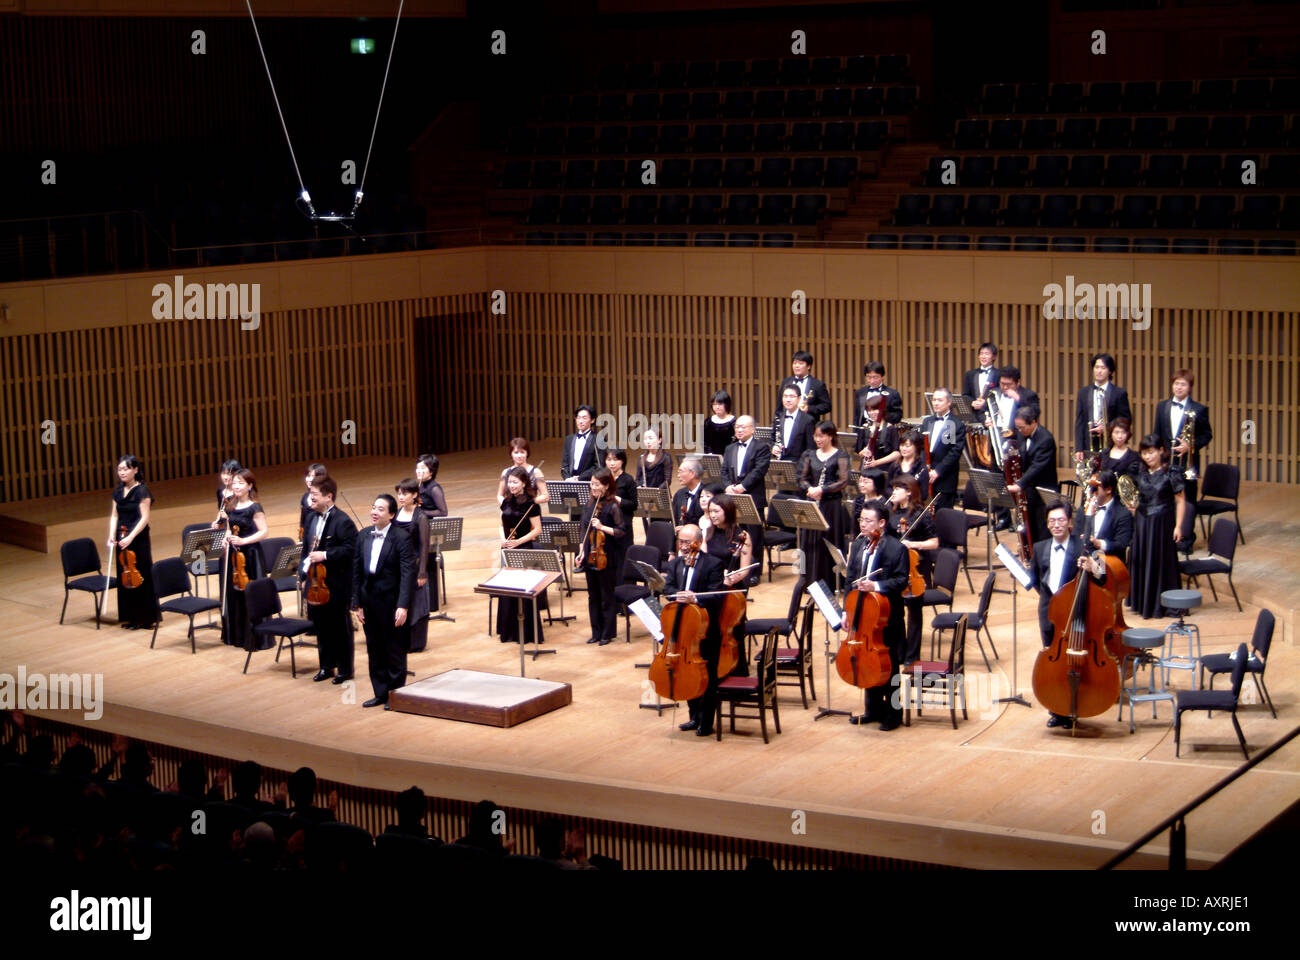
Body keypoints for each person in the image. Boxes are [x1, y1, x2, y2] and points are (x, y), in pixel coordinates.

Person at [1028, 502, 1109, 728]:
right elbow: (1036, 580)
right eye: (1052, 521)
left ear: (1070, 522)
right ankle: (1058, 710)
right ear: (1047, 524)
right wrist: (1052, 602)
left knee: (1074, 664)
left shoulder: (1083, 546)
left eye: (1061, 520)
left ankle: (1075, 708)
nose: (1056, 525)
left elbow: (1102, 576)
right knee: (1054, 666)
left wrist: (1093, 566)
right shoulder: (1040, 547)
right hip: (1048, 614)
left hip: (1075, 617)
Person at [844, 500, 910, 731]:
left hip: (886, 616)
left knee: (890, 668)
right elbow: (850, 578)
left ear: (882, 523)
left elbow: (902, 580)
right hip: (862, 614)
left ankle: (893, 714)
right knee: (866, 662)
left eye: (868, 521)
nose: (863, 524)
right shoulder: (859, 544)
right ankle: (872, 710)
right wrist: (847, 611)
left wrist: (876, 586)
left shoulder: (896, 548)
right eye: (861, 520)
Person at [350, 494, 416, 709]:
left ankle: (394, 694)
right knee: (374, 649)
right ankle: (379, 693)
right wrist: (357, 604)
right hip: (369, 603)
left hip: (392, 602)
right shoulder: (363, 535)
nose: (374, 512)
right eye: (373, 507)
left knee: (394, 650)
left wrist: (403, 605)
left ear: (391, 514)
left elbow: (407, 574)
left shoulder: (401, 537)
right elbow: (357, 573)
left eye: (380, 509)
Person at [663, 524, 726, 736]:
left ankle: (706, 722)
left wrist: (695, 597)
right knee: (686, 672)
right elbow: (668, 589)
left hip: (705, 631)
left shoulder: (713, 564)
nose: (682, 546)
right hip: (683, 631)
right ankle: (693, 717)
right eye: (680, 541)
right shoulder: (675, 565)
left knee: (707, 677)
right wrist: (676, 594)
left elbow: (717, 596)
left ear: (698, 542)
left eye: (687, 542)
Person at [301, 475, 357, 683]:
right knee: (321, 626)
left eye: (315, 494)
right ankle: (326, 666)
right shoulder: (310, 517)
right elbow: (305, 550)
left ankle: (345, 669)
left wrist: (325, 555)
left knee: (339, 627)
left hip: (335, 583)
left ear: (329, 496)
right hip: (314, 582)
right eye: (310, 493)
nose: (311, 498)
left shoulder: (343, 521)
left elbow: (351, 550)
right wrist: (303, 575)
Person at [1128, 435, 1187, 620]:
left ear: (1161, 450)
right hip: (1143, 523)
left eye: (1151, 452)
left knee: (1161, 562)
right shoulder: (1140, 472)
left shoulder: (1172, 472)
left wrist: (1178, 526)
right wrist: (1132, 507)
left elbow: (1181, 500)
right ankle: (1142, 603)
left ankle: (1163, 606)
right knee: (1142, 560)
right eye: (1144, 453)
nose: (1148, 457)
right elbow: (1136, 497)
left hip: (1162, 524)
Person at [213, 468, 268, 649]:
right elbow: (229, 527)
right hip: (234, 556)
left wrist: (243, 540)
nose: (236, 486)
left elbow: (263, 532)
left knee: (250, 594)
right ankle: (237, 635)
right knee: (235, 593)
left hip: (250, 555)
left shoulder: (255, 507)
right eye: (234, 483)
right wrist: (226, 538)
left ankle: (255, 637)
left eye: (240, 483)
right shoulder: (230, 505)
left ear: (250, 486)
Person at [888, 476, 938, 665]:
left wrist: (913, 544)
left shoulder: (921, 514)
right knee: (896, 613)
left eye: (897, 489)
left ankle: (912, 656)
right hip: (896, 568)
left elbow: (934, 543)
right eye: (893, 489)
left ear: (909, 491)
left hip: (916, 567)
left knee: (914, 614)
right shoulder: (890, 513)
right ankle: (899, 653)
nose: (893, 492)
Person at [576, 469, 630, 645]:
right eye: (592, 484)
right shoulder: (589, 504)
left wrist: (601, 527)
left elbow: (621, 531)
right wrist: (581, 551)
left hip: (606, 556)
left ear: (607, 486)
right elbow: (583, 529)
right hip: (590, 555)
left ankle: (607, 633)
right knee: (593, 596)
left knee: (607, 596)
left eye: (597, 484)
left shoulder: (613, 505)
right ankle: (596, 632)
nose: (593, 487)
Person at [107, 454, 161, 630]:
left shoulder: (142, 490)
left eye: (126, 469)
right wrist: (111, 535)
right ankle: (130, 616)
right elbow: (114, 516)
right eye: (120, 469)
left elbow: (145, 518)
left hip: (138, 538)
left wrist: (131, 536)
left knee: (141, 575)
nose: (122, 472)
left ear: (135, 470)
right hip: (121, 538)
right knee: (125, 577)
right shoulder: (117, 491)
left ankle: (146, 617)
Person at [796, 422, 851, 586]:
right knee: (810, 541)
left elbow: (843, 481)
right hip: (812, 502)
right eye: (815, 436)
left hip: (831, 505)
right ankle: (810, 581)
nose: (817, 439)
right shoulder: (809, 454)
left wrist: (823, 489)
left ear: (830, 436)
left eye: (821, 436)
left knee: (829, 540)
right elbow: (801, 478)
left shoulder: (841, 455)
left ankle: (830, 582)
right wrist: (811, 489)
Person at [497, 466, 546, 645]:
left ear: (524, 483)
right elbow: (501, 524)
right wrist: (504, 540)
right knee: (508, 589)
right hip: (507, 548)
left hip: (523, 548)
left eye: (515, 482)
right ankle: (508, 632)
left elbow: (538, 530)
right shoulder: (506, 501)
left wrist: (518, 542)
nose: (511, 485)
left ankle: (525, 633)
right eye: (509, 482)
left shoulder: (531, 504)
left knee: (522, 591)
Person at [1152, 368, 1212, 510]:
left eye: (1183, 384)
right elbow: (1157, 434)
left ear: (1190, 387)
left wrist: (1190, 446)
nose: (1179, 387)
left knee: (1188, 502)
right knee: (1165, 503)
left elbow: (1207, 435)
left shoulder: (1199, 409)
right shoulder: (1162, 407)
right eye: (1176, 383)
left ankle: (1186, 532)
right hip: (1166, 463)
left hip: (1187, 464)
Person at [722, 415, 770, 566]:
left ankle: (754, 571)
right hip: (733, 498)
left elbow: (759, 471)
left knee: (754, 536)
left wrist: (743, 487)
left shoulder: (761, 447)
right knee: (734, 534)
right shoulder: (729, 448)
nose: (739, 430)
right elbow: (723, 471)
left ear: (753, 429)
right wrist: (727, 485)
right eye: (737, 427)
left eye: (743, 427)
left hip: (753, 498)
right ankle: (736, 566)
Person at [1006, 404, 1057, 546]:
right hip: (1029, 491)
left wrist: (1019, 484)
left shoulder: (1046, 439)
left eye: (1022, 427)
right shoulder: (1022, 435)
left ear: (1034, 422)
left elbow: (1037, 467)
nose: (1019, 431)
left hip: (1043, 492)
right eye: (1018, 428)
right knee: (1030, 529)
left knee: (1042, 531)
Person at [393, 479, 432, 653]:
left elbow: (424, 546)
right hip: (400, 565)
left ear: (414, 495)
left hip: (415, 565)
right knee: (402, 601)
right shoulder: (397, 513)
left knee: (416, 602)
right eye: (399, 493)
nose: (401, 497)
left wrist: (422, 572)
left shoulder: (420, 516)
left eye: (405, 493)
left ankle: (415, 642)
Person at [1073, 354, 1132, 465]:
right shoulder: (1083, 392)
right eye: (1097, 367)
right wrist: (1078, 448)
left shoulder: (1119, 393)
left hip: (1110, 443)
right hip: (1088, 443)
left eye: (1103, 368)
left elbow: (1126, 419)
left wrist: (1106, 427)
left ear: (1110, 371)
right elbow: (1079, 421)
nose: (1099, 371)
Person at [1073, 469, 1133, 565]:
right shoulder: (1083, 510)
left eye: (1095, 488)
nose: (1091, 492)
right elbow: (1074, 538)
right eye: (1090, 487)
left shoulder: (1123, 514)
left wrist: (1099, 543)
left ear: (1108, 490)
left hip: (1108, 567)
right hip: (1082, 563)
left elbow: (1122, 545)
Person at [921, 387, 966, 510]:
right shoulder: (927, 422)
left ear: (949, 402)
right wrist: (925, 469)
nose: (935, 403)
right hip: (926, 476)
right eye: (934, 399)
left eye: (940, 400)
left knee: (942, 516)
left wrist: (938, 471)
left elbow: (954, 453)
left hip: (945, 478)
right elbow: (920, 447)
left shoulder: (956, 424)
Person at [635, 428, 673, 535]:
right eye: (645, 439)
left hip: (661, 497)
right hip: (646, 499)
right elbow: (637, 478)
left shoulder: (666, 457)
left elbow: (667, 481)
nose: (648, 441)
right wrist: (640, 488)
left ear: (660, 440)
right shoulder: (641, 458)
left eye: (651, 438)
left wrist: (654, 494)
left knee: (661, 530)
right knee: (649, 530)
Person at [776, 350, 831, 420]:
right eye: (795, 363)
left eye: (800, 363)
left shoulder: (817, 384)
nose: (797, 366)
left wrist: (809, 409)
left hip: (808, 424)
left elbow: (827, 406)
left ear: (809, 366)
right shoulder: (786, 382)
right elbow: (779, 406)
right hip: (787, 422)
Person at [497, 438, 549, 506]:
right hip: (511, 513)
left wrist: (528, 502)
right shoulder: (506, 472)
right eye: (516, 452)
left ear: (527, 453)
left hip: (530, 512)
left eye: (522, 452)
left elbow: (545, 496)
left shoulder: (536, 472)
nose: (519, 456)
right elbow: (500, 495)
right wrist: (507, 505)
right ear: (511, 454)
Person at [772, 385, 816, 463]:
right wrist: (773, 447)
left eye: (792, 396)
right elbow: (772, 439)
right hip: (780, 463)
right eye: (785, 396)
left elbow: (811, 448)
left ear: (799, 399)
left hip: (799, 465)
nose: (788, 400)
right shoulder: (778, 417)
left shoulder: (808, 420)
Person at [855, 395, 899, 472]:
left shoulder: (891, 428)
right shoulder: (865, 427)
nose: (871, 413)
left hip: (884, 470)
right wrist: (864, 452)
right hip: (866, 469)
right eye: (869, 410)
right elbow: (859, 451)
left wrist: (876, 462)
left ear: (882, 409)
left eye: (875, 409)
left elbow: (897, 453)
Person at [853, 360, 903, 425]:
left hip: (884, 430)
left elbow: (898, 416)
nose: (872, 381)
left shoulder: (892, 394)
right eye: (869, 377)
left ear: (882, 377)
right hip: (864, 429)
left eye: (875, 377)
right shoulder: (860, 392)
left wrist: (882, 415)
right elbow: (856, 416)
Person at [561, 405, 604, 481]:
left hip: (588, 481)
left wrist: (580, 478)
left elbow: (598, 465)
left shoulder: (599, 439)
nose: (580, 421)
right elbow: (565, 464)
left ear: (592, 420)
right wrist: (567, 478)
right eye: (578, 417)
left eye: (584, 418)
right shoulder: (569, 439)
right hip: (569, 481)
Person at [887, 429, 929, 501]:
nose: (903, 448)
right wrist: (896, 497)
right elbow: (888, 487)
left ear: (916, 447)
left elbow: (923, 494)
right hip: (895, 503)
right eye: (902, 445)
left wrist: (905, 498)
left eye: (907, 446)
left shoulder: (922, 468)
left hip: (913, 506)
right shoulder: (894, 465)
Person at [671, 458, 706, 529]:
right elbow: (674, 520)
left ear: (692, 474)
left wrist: (686, 529)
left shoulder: (707, 494)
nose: (678, 475)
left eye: (681, 472)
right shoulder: (679, 494)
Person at [962, 342, 1000, 408]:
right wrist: (972, 402)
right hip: (974, 414)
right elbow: (966, 395)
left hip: (992, 414)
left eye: (987, 354)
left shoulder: (999, 374)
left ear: (994, 357)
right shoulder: (970, 374)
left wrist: (986, 403)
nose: (983, 357)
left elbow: (1000, 395)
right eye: (981, 354)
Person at [605, 447, 638, 520]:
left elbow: (634, 505)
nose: (612, 463)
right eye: (609, 459)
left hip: (623, 520)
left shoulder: (628, 479)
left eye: (615, 459)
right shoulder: (604, 478)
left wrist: (618, 500)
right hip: (605, 519)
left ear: (622, 461)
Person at [298, 463, 327, 542]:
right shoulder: (305, 497)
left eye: (313, 477)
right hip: (308, 538)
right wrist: (301, 539)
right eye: (308, 476)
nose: (309, 479)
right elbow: (302, 522)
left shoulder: (325, 498)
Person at [703, 390, 736, 455]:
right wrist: (708, 453)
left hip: (729, 457)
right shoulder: (708, 421)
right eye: (714, 404)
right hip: (711, 456)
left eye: (720, 404)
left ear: (727, 404)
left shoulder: (734, 422)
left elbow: (735, 443)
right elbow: (703, 441)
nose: (717, 407)